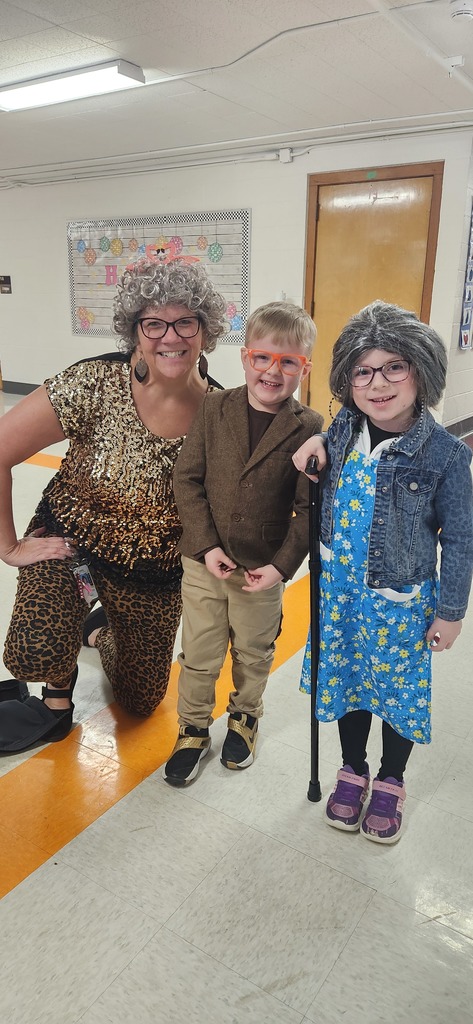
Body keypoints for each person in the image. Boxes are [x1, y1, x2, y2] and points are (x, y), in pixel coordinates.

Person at [0, 258, 226, 753]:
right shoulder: (94, 383)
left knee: (142, 701)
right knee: (35, 648)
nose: (171, 336)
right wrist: (10, 547)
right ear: (136, 332)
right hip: (70, 543)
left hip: (153, 570)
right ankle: (56, 698)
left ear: (206, 330)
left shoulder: (221, 411)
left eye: (186, 321)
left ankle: (97, 630)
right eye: (154, 323)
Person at [293, 300, 473, 844]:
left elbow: (461, 538)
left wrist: (451, 611)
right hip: (340, 595)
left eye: (394, 366)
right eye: (363, 370)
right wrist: (319, 439)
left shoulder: (444, 455)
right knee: (348, 683)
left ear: (421, 371)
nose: (378, 383)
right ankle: (353, 768)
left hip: (401, 601)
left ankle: (391, 780)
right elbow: (338, 428)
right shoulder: (344, 432)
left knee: (395, 693)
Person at [163, 301, 323, 786]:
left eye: (288, 362)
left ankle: (245, 718)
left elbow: (308, 508)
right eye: (263, 358)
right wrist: (206, 544)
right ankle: (192, 728)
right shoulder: (215, 406)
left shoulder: (310, 426)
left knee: (254, 651)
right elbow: (187, 479)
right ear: (245, 357)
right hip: (204, 564)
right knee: (200, 651)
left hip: (262, 570)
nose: (272, 372)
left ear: (304, 367)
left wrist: (281, 567)